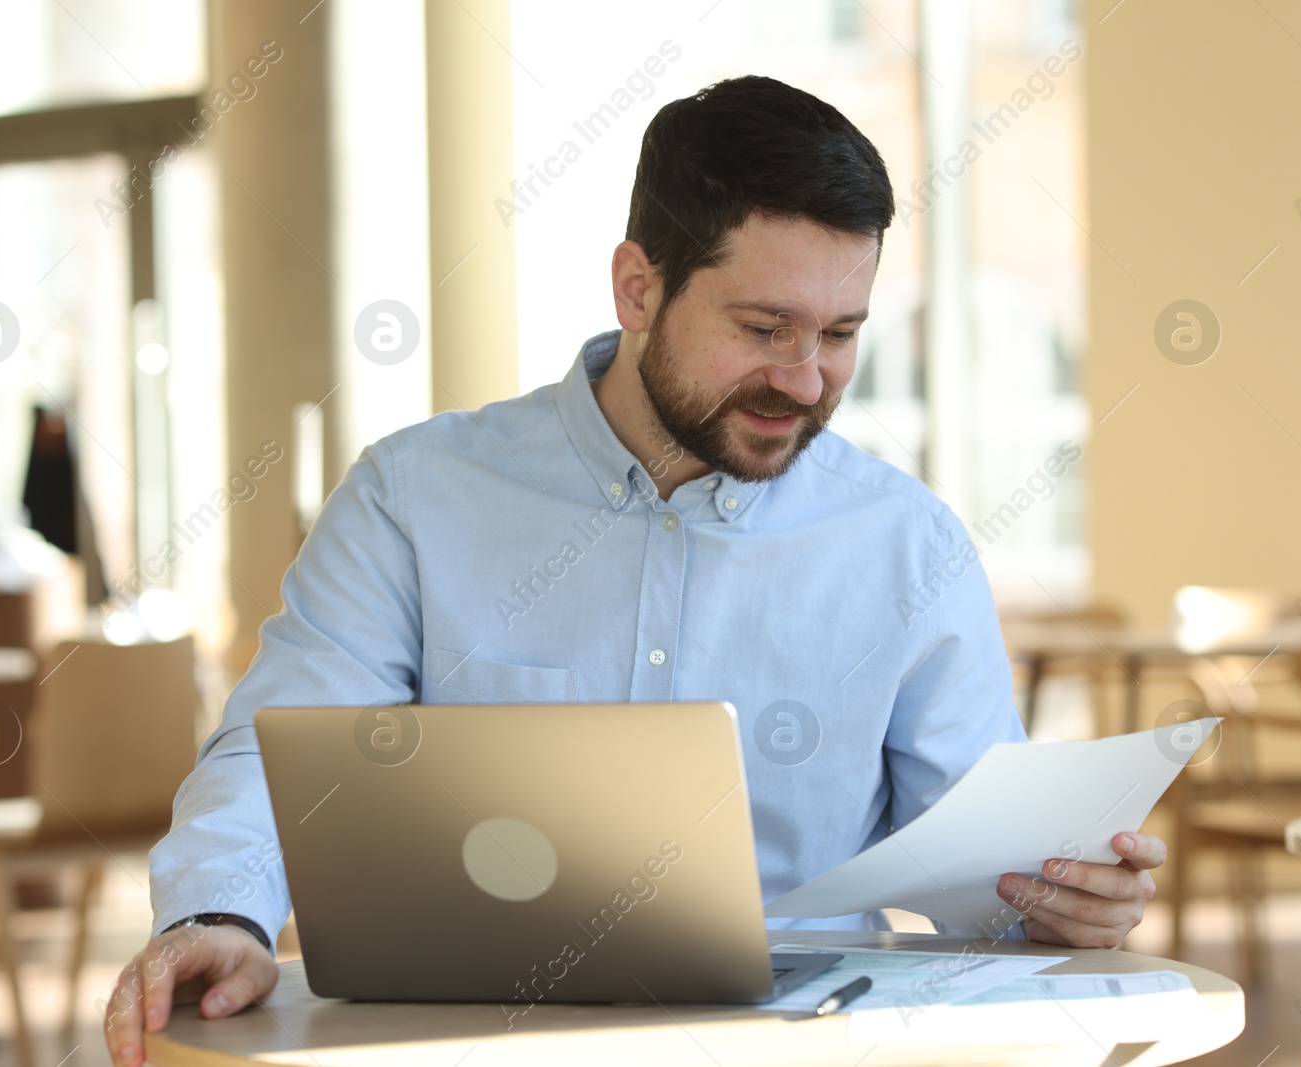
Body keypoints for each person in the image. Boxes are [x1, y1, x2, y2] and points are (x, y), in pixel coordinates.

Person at [104, 74, 1163, 1067]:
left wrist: (1058, 900)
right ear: (637, 287)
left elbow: (978, 870)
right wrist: (219, 912)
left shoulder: (907, 547)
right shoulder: (413, 498)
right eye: (763, 328)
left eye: (841, 334)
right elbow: (282, 744)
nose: (803, 379)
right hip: (470, 1049)